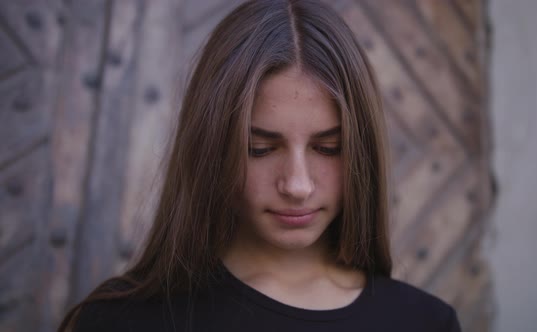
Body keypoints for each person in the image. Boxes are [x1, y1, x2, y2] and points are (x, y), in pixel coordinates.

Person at [59, 0, 461, 331]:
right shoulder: (119, 322)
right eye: (259, 148)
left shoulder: (425, 322)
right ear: (211, 150)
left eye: (328, 147)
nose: (297, 185)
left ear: (362, 151)